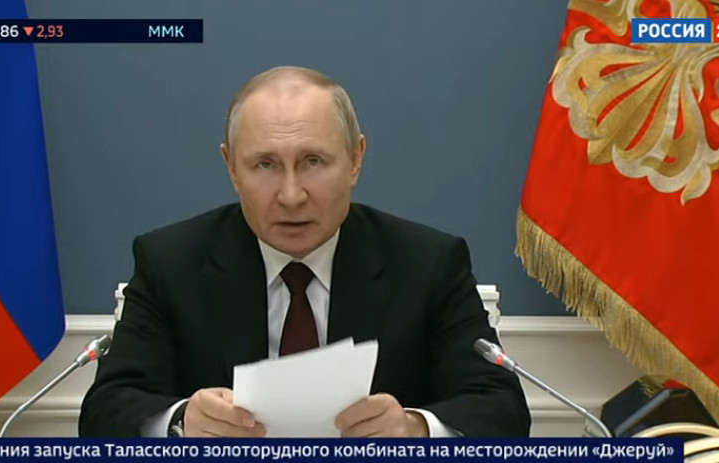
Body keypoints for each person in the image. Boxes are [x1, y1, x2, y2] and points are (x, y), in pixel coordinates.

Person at [79, 66, 530, 438]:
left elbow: (501, 408)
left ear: (356, 159)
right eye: (265, 164)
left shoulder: (428, 263)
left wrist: (415, 428)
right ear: (231, 167)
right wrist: (182, 421)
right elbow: (105, 412)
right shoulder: (170, 262)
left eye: (313, 162)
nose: (291, 196)